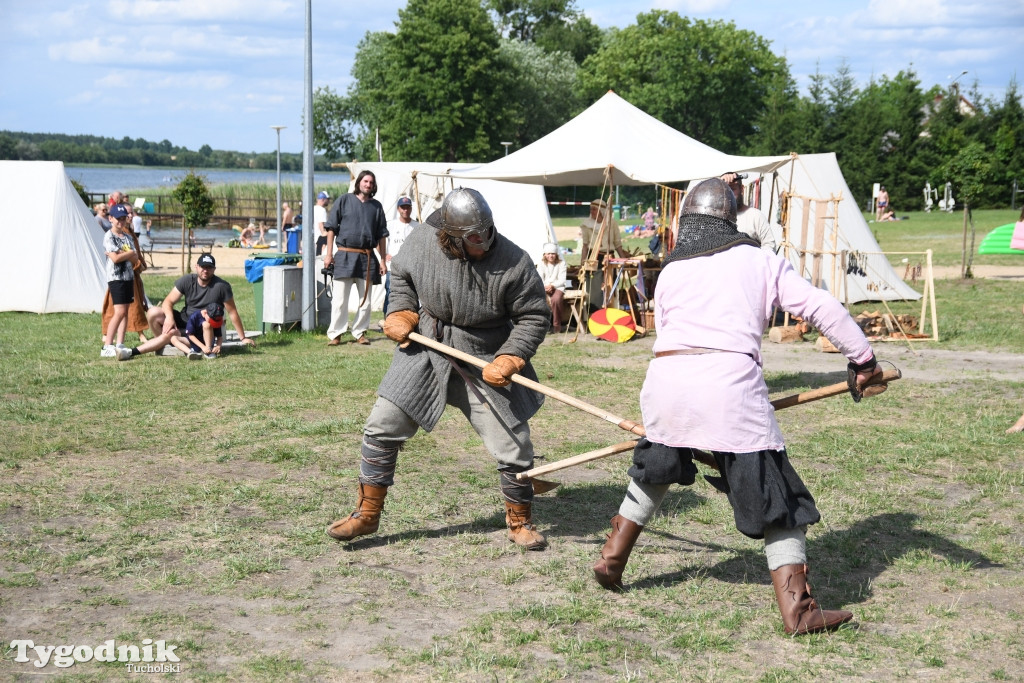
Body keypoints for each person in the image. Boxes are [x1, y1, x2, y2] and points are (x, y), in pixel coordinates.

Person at [592, 178, 884, 636]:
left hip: (666, 386)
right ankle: (799, 611)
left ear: (687, 224)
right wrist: (863, 359)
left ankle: (611, 560)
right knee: (776, 495)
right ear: (733, 220)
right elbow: (821, 307)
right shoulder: (760, 261)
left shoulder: (671, 270)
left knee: (658, 466)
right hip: (729, 390)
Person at [325, 187, 551, 550]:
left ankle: (520, 520)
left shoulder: (514, 261)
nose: (486, 241)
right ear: (454, 238)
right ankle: (366, 514)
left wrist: (511, 356)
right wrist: (401, 310)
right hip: (427, 346)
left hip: (485, 354)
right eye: (476, 237)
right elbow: (399, 275)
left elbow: (534, 316)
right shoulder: (423, 241)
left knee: (514, 444)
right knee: (383, 424)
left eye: (488, 230)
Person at [119, 253, 255, 359]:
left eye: (209, 267)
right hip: (185, 320)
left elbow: (232, 312)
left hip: (203, 328)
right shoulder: (187, 280)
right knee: (153, 312)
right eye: (203, 267)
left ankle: (138, 350)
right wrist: (170, 318)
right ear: (196, 267)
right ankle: (163, 343)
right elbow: (168, 302)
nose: (205, 271)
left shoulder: (222, 286)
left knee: (172, 334)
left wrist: (242, 338)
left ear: (214, 269)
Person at [323, 170, 388, 346]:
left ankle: (360, 332)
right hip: (344, 255)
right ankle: (336, 334)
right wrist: (328, 255)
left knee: (365, 301)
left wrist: (382, 259)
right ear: (359, 182)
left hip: (367, 258)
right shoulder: (344, 200)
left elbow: (382, 235)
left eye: (371, 183)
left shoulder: (377, 206)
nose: (368, 185)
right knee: (339, 300)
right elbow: (331, 229)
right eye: (365, 181)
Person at [100, 204, 139, 361]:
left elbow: (135, 259)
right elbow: (115, 259)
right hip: (116, 277)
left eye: (124, 219)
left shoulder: (128, 237)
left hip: (128, 277)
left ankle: (120, 343)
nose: (121, 222)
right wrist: (128, 253)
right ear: (111, 219)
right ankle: (107, 345)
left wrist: (125, 253)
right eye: (118, 219)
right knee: (119, 312)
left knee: (126, 312)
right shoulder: (109, 236)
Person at [580, 198, 629, 314]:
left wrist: (623, 259)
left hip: (609, 258)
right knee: (594, 290)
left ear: (601, 210)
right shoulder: (586, 225)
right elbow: (585, 246)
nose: (591, 212)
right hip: (594, 258)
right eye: (591, 209)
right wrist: (582, 263)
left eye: (594, 209)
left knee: (610, 288)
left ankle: (609, 316)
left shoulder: (611, 223)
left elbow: (617, 243)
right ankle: (594, 317)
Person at [721, 172, 778, 253]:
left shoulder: (755, 216)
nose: (729, 194)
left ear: (741, 189)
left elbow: (770, 246)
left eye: (732, 189)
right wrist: (719, 181)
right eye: (725, 190)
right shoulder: (715, 217)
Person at [383, 195, 419, 314]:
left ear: (411, 208)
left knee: (413, 292)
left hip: (411, 267)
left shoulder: (417, 226)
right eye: (403, 207)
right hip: (392, 266)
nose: (405, 210)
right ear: (398, 209)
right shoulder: (390, 225)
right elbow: (381, 241)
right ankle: (387, 318)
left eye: (408, 207)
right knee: (390, 291)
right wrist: (384, 255)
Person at [537, 242, 567, 333]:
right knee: (540, 299)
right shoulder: (541, 263)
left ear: (556, 254)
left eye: (553, 254)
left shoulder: (561, 264)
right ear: (545, 254)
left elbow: (562, 280)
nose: (551, 256)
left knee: (556, 299)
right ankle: (543, 325)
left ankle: (556, 325)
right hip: (544, 287)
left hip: (558, 287)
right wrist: (545, 287)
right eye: (548, 254)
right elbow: (539, 278)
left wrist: (552, 285)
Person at [313, 191, 331, 257]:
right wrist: (325, 235)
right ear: (323, 199)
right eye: (328, 199)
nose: (328, 201)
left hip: (313, 238)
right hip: (320, 239)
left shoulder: (313, 208)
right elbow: (321, 224)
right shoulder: (321, 210)